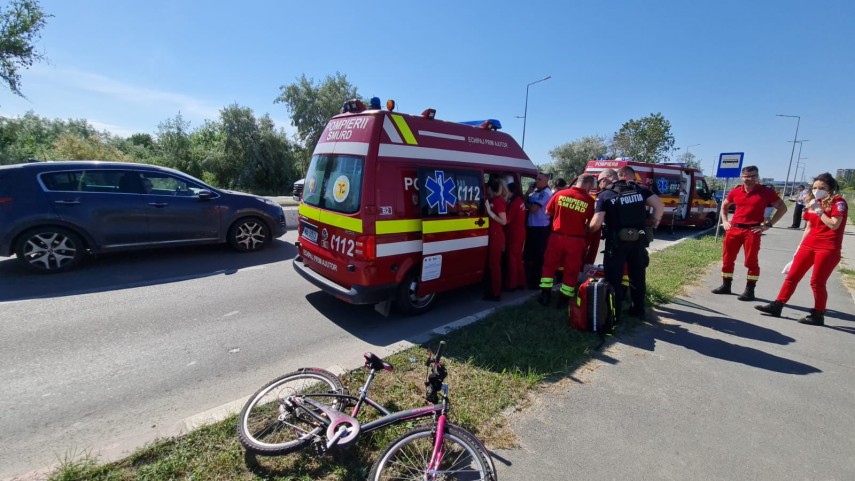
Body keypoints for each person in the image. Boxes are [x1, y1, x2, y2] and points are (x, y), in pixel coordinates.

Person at [755, 173, 847, 325]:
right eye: (815, 187)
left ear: (830, 188)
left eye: (822, 188)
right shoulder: (813, 203)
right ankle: (777, 305)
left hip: (828, 247)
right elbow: (808, 227)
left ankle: (818, 314)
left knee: (817, 282)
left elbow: (834, 224)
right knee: (792, 276)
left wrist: (819, 210)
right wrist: (799, 248)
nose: (817, 190)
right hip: (808, 245)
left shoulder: (838, 202)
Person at [589, 167, 664, 320]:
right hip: (638, 241)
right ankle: (638, 309)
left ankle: (613, 313)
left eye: (600, 182)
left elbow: (596, 224)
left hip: (616, 243)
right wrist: (654, 223)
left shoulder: (606, 195)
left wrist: (587, 229)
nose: (599, 186)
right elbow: (659, 206)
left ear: (607, 179)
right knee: (638, 276)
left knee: (614, 278)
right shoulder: (640, 189)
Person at [712, 166, 788, 301]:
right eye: (747, 176)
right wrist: (725, 221)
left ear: (757, 176)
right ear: (742, 177)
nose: (751, 179)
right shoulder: (735, 191)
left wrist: (768, 225)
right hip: (734, 229)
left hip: (752, 230)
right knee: (727, 259)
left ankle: (750, 290)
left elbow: (782, 207)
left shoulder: (766, 192)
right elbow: (724, 206)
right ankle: (726, 285)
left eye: (754, 176)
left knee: (751, 262)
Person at [538, 174, 597, 308]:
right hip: (575, 240)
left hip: (556, 236)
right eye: (591, 186)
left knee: (548, 266)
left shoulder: (560, 194)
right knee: (571, 270)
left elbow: (548, 213)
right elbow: (590, 223)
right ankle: (563, 300)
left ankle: (545, 296)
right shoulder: (589, 200)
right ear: (588, 184)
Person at [524, 172, 554, 289]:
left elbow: (533, 209)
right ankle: (529, 279)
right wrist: (527, 194)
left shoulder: (546, 193)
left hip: (540, 228)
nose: (536, 181)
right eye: (536, 179)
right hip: (531, 227)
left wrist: (525, 203)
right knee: (529, 255)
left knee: (538, 257)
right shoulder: (535, 192)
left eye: (540, 179)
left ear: (546, 181)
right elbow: (525, 201)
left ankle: (536, 282)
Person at [483, 179, 508, 301]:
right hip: (493, 234)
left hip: (497, 235)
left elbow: (503, 221)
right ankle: (492, 290)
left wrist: (490, 213)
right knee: (492, 265)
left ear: (492, 189)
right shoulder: (493, 201)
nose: (486, 190)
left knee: (495, 265)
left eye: (488, 188)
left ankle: (496, 293)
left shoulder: (498, 202)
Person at [503, 174, 527, 291]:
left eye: (506, 191)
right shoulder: (519, 201)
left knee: (512, 259)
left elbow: (506, 220)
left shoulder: (514, 204)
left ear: (511, 192)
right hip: (520, 233)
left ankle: (512, 284)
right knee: (518, 259)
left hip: (513, 235)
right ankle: (521, 282)